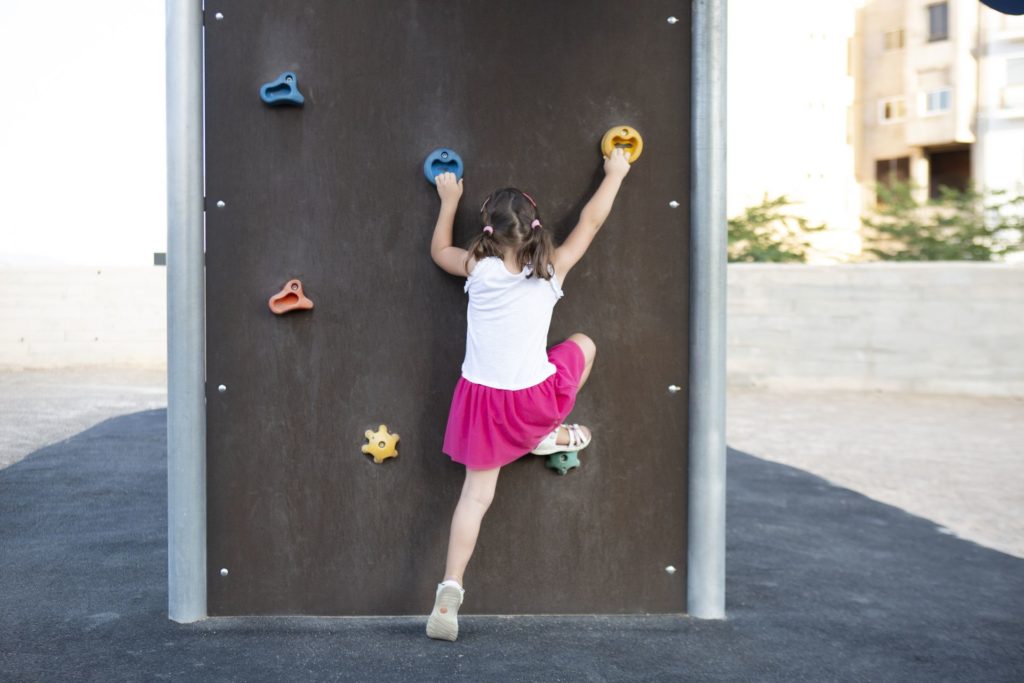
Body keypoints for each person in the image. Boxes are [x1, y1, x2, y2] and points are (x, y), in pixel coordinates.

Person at [425, 148, 632, 641]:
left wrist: (448, 200)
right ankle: (543, 435)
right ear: (535, 227)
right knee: (583, 345)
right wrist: (616, 172)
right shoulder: (551, 270)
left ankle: (450, 589)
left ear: (488, 230)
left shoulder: (477, 266)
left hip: (482, 403)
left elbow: (438, 252)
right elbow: (593, 221)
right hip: (529, 400)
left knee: (475, 497)